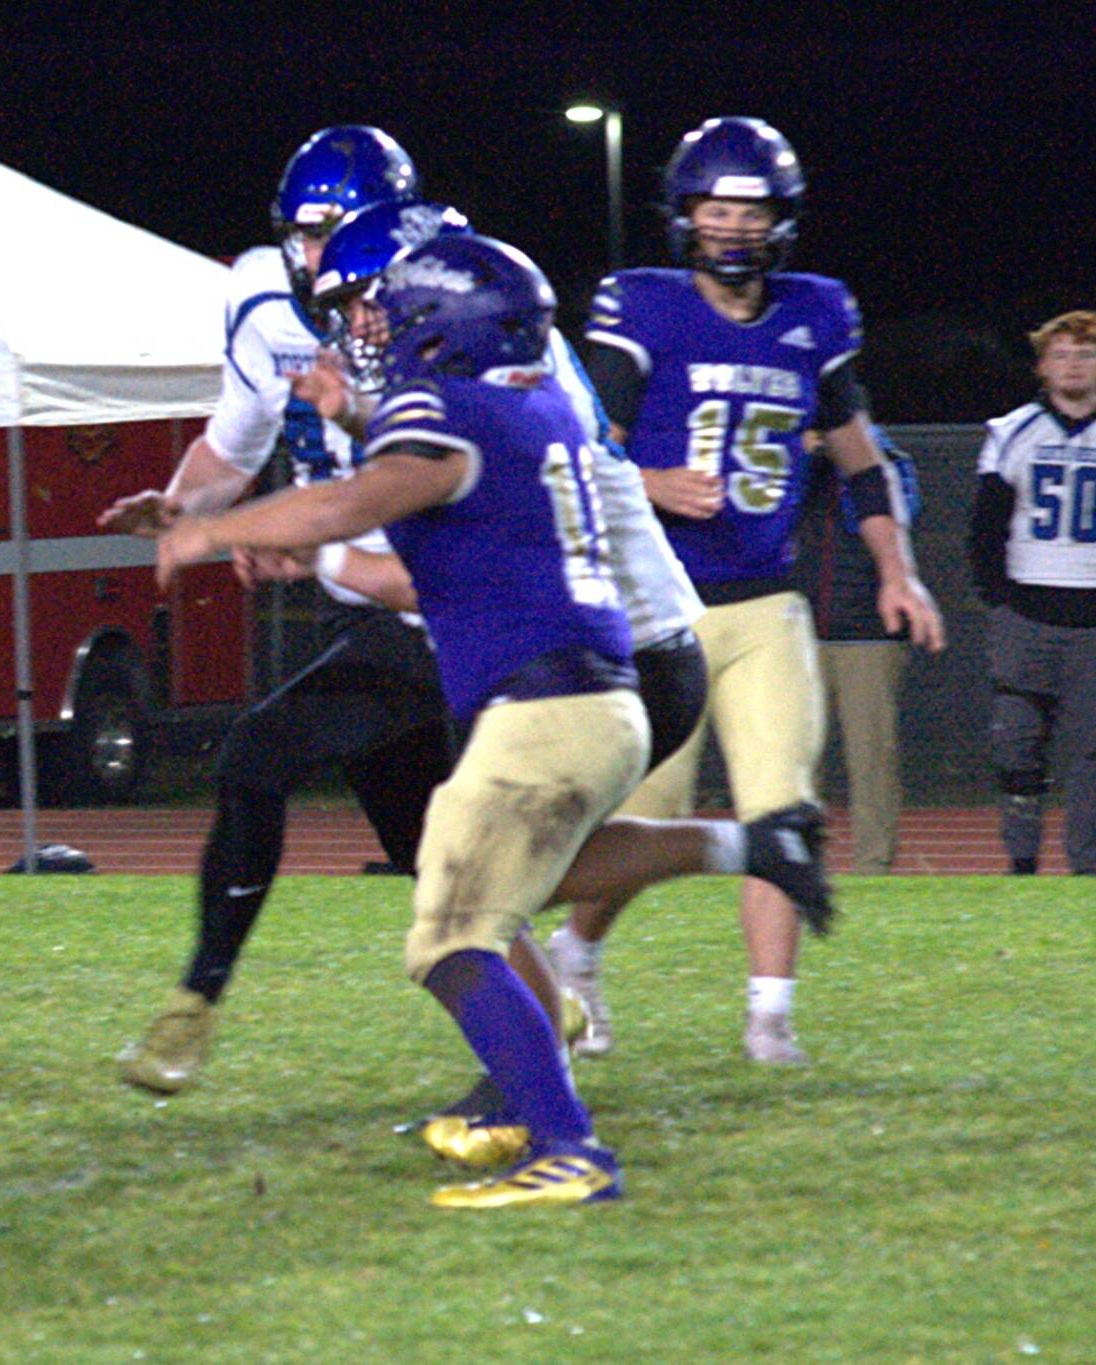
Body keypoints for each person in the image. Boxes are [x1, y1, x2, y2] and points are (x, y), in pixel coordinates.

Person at [157, 233, 695, 1206]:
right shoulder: (533, 402)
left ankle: (568, 1148)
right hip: (584, 696)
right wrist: (347, 410)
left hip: (543, 710)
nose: (380, 332)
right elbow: (433, 476)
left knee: (454, 940)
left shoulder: (448, 410)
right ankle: (546, 1119)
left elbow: (364, 498)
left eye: (397, 317)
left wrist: (213, 528)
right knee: (466, 930)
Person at [560, 117, 944, 1065]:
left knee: (783, 811)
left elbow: (862, 462)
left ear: (782, 220)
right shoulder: (640, 307)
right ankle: (577, 956)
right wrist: (650, 485)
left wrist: (899, 570)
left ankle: (770, 1014)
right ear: (685, 215)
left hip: (767, 603)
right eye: (716, 208)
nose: (732, 227)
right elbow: (575, 445)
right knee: (642, 821)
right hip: (657, 609)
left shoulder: (816, 314)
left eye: (749, 210)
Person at [101, 126, 459, 1096]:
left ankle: (193, 1005)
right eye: (302, 239)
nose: (315, 263)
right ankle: (544, 1014)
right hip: (373, 614)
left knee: (257, 754)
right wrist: (183, 508)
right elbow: (233, 441)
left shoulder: (444, 303)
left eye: (334, 237)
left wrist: (306, 540)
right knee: (440, 874)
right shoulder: (264, 301)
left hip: (460, 610)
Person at [969, 310, 1096, 875]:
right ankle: (1022, 865)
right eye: (1061, 354)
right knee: (1016, 748)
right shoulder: (1013, 430)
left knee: (1094, 756)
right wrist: (1002, 601)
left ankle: (1089, 873)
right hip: (1027, 617)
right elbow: (986, 528)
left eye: (1086, 354)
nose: (1073, 365)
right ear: (1041, 366)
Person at [797, 422, 924, 875]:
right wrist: (806, 460)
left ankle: (875, 868)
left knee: (871, 759)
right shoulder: (789, 458)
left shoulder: (886, 461)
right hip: (797, 628)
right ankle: (799, 865)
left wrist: (841, 458)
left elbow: (891, 514)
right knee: (794, 760)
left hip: (867, 631)